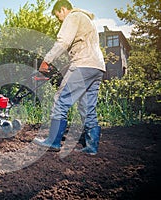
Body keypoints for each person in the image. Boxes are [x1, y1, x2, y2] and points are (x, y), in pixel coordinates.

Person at [33, 0, 106, 155]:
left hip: (82, 65)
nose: (59, 20)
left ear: (63, 9)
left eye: (58, 16)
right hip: (97, 67)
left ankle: (53, 142)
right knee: (88, 107)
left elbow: (63, 41)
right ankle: (91, 147)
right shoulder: (88, 20)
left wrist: (47, 60)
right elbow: (80, 47)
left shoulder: (72, 17)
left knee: (61, 100)